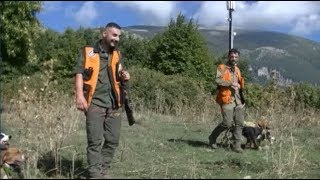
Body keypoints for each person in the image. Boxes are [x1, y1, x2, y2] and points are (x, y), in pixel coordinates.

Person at [73, 22, 130, 178]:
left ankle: (103, 170)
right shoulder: (88, 52)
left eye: (119, 36)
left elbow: (119, 74)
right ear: (104, 33)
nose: (117, 39)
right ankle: (95, 174)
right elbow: (78, 73)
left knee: (112, 141)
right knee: (95, 142)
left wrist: (125, 75)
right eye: (114, 35)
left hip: (114, 104)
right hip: (95, 103)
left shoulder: (117, 54)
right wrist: (79, 95)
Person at [208, 48, 245, 153]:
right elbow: (218, 80)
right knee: (227, 123)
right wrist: (230, 83)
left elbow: (240, 84)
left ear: (238, 58)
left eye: (236, 57)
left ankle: (236, 146)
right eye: (232, 56)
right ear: (228, 57)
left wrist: (241, 93)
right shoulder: (222, 67)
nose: (233, 58)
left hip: (238, 99)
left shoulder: (237, 69)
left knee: (239, 123)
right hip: (226, 98)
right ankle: (212, 138)